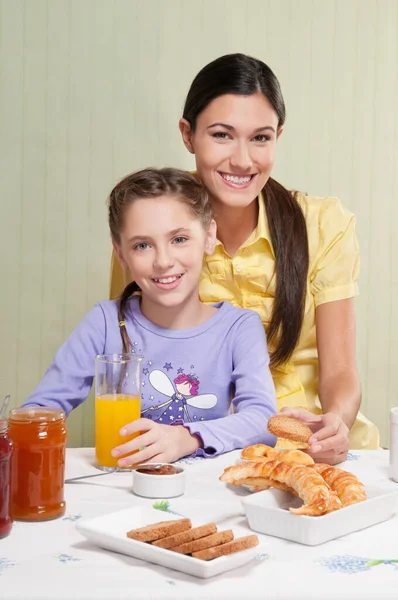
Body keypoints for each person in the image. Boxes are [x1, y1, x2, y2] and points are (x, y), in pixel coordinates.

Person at [110, 54, 380, 464]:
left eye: (260, 138)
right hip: (204, 450)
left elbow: (340, 370)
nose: (242, 160)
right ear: (187, 134)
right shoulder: (148, 229)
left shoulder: (323, 225)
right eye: (222, 135)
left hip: (316, 452)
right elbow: (128, 367)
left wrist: (335, 422)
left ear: (278, 136)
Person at [23, 168, 277, 467]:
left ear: (209, 236)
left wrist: (187, 438)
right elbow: (41, 411)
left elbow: (263, 421)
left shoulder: (238, 328)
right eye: (142, 245)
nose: (163, 261)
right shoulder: (104, 323)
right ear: (121, 254)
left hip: (204, 494)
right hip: (123, 487)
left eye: (179, 239)